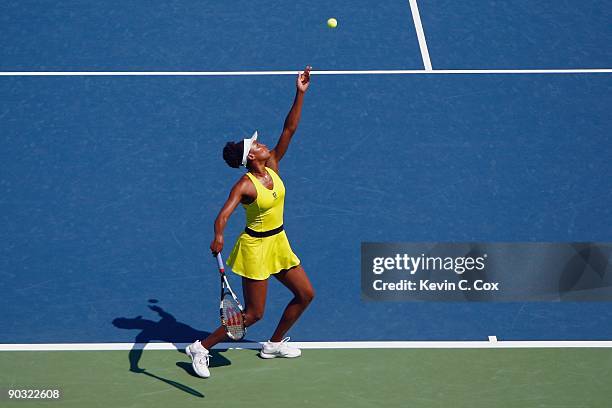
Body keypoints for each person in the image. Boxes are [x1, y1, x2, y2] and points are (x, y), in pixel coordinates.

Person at [186, 66, 315, 378]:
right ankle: (201, 347)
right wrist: (218, 236)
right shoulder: (244, 185)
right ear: (251, 158)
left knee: (305, 295)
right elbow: (223, 215)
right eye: (256, 145)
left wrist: (299, 94)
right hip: (256, 248)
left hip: (278, 242)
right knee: (254, 313)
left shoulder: (272, 164)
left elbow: (289, 130)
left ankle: (273, 344)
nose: (262, 145)